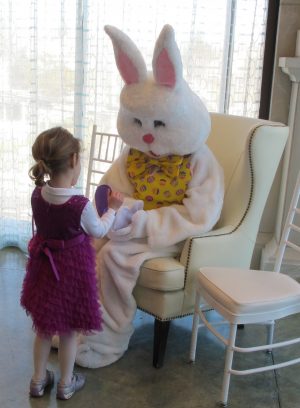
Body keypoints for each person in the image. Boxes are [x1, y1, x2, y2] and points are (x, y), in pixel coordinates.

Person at [20, 127, 123, 400]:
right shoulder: (80, 205)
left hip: (44, 267)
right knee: (67, 330)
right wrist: (112, 208)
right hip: (71, 272)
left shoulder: (37, 194)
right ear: (75, 161)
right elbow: (99, 231)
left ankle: (38, 380)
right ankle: (66, 383)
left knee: (43, 327)